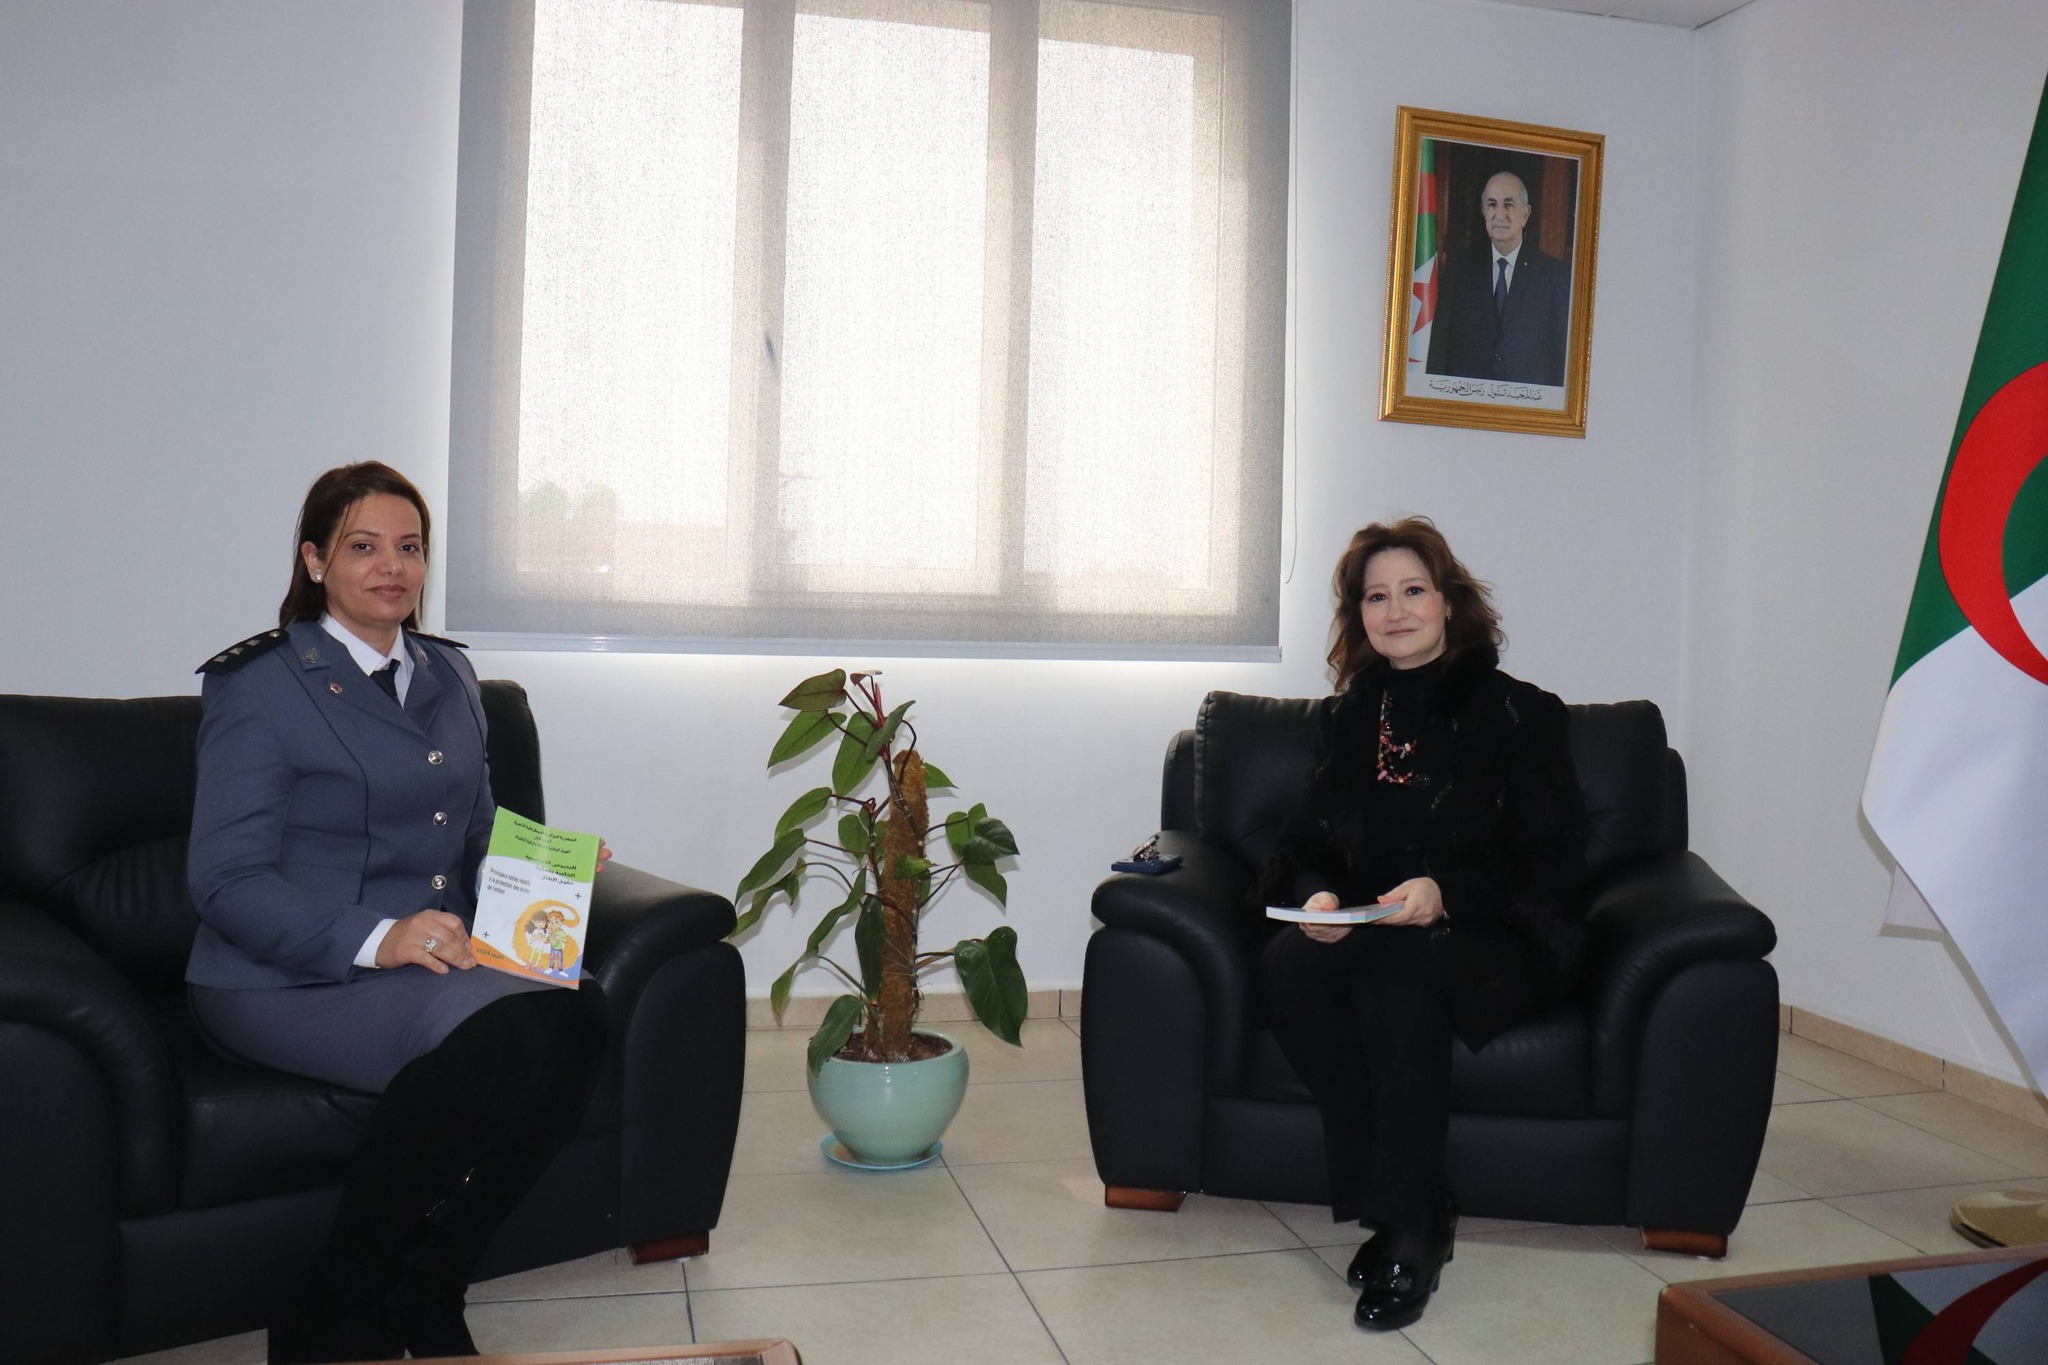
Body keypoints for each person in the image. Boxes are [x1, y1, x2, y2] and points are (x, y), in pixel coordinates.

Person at [186, 461, 607, 1363]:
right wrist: (380, 938)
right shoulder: (260, 685)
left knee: (580, 1015)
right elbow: (224, 880)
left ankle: (430, 1281)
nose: (392, 567)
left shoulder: (450, 673)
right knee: (501, 1038)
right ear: (315, 560)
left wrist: (550, 862)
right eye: (363, 546)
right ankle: (334, 1308)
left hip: (430, 959)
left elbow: (478, 831)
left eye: (409, 547)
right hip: (283, 974)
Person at [1257, 517, 1588, 1331]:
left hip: (1499, 926)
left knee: (1398, 980)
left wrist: (1447, 893)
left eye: (1413, 590)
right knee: (1290, 965)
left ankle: (1411, 1233)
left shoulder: (1522, 713)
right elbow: (1307, 843)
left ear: (1449, 601)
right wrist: (1321, 897)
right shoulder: (1348, 717)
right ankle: (1417, 1200)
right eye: (1376, 596)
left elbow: (1550, 862)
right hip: (1386, 922)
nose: (1396, 610)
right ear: (1358, 615)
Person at [1428, 171, 1572, 387]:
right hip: (1467, 400)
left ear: (1525, 214)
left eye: (1509, 205)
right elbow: (1439, 349)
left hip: (1527, 403)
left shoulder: (1554, 277)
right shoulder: (1459, 270)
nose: (1499, 214)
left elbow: (1561, 360)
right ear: (1483, 211)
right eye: (1492, 204)